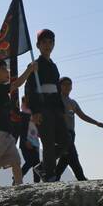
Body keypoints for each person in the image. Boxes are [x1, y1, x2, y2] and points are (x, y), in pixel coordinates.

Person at [0, 59, 38, 185]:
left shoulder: (2, 92)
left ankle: (19, 184)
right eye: (3, 70)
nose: (7, 72)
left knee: (15, 160)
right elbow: (16, 84)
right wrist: (29, 70)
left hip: (7, 134)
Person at [24, 29, 71, 182]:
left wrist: (62, 109)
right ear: (38, 45)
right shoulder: (35, 65)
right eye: (44, 42)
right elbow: (29, 89)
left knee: (65, 142)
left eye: (50, 42)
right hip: (42, 108)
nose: (47, 45)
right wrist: (35, 111)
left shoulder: (54, 66)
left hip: (55, 108)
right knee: (48, 142)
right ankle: (49, 175)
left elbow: (57, 90)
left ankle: (42, 166)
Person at [54, 77, 103, 181]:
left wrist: (96, 123)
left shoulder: (72, 102)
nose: (68, 86)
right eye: (65, 84)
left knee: (66, 158)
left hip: (71, 133)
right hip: (62, 133)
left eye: (69, 84)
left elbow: (82, 115)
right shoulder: (57, 100)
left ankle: (55, 176)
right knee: (73, 156)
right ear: (60, 86)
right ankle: (81, 178)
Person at [19, 95, 42, 183]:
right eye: (25, 102)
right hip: (26, 143)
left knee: (36, 164)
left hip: (35, 143)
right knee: (29, 162)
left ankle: (37, 183)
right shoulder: (22, 115)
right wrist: (25, 141)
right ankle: (18, 177)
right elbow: (21, 130)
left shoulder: (35, 115)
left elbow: (37, 129)